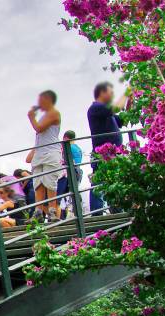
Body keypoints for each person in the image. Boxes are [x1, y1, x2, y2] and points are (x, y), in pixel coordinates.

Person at [88, 81, 130, 215]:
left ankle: (116, 210)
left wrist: (130, 101)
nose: (112, 95)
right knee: (99, 183)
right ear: (102, 93)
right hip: (102, 154)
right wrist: (127, 92)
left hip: (112, 154)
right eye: (110, 92)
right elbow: (116, 108)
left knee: (113, 182)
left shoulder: (106, 112)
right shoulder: (96, 108)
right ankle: (97, 214)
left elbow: (124, 119)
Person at [26, 90, 62, 221]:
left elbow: (39, 128)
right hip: (40, 152)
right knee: (38, 183)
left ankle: (52, 212)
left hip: (50, 152)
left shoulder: (54, 113)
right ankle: (38, 212)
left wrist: (31, 117)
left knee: (50, 183)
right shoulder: (45, 115)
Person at [56, 130, 84, 219]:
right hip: (78, 171)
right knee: (74, 193)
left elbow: (62, 159)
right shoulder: (78, 148)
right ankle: (77, 212)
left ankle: (69, 215)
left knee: (64, 194)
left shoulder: (67, 147)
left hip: (70, 171)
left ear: (65, 138)